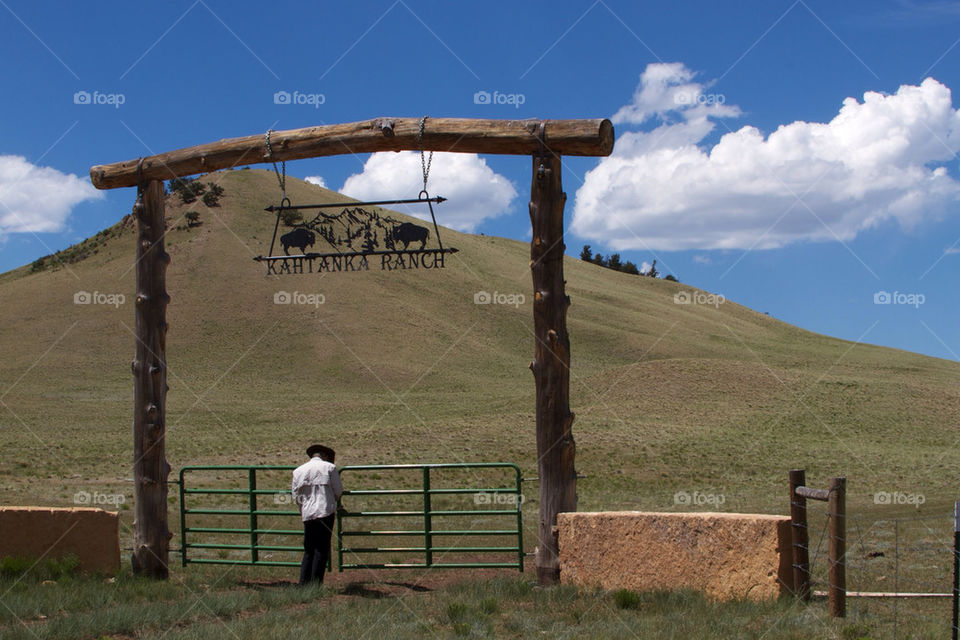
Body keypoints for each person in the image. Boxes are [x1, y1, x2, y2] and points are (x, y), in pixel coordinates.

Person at [291, 443, 342, 585]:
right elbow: (338, 491)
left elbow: (295, 495)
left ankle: (303, 583)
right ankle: (316, 583)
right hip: (325, 511)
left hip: (308, 513)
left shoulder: (298, 471)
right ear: (325, 456)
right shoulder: (330, 468)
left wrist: (304, 506)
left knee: (309, 549)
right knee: (322, 548)